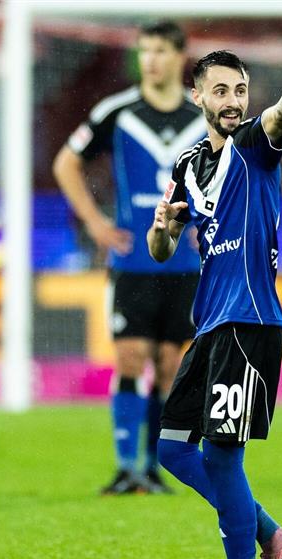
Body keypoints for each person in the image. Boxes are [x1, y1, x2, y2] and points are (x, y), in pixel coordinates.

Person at [147, 40, 282, 559]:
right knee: (172, 448)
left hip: (249, 319)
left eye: (241, 90)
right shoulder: (186, 166)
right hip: (210, 324)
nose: (233, 101)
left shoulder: (255, 144)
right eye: (221, 91)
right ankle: (277, 537)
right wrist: (162, 229)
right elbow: (161, 250)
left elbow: (279, 116)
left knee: (224, 457)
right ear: (197, 96)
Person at [53, 21, 206, 495]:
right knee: (130, 357)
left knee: (169, 364)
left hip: (184, 264)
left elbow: (232, 175)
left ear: (179, 57)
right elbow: (66, 162)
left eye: (159, 51)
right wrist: (95, 223)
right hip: (133, 261)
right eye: (144, 51)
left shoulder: (203, 117)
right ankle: (126, 468)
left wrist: (213, 227)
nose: (150, 60)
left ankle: (156, 468)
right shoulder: (117, 112)